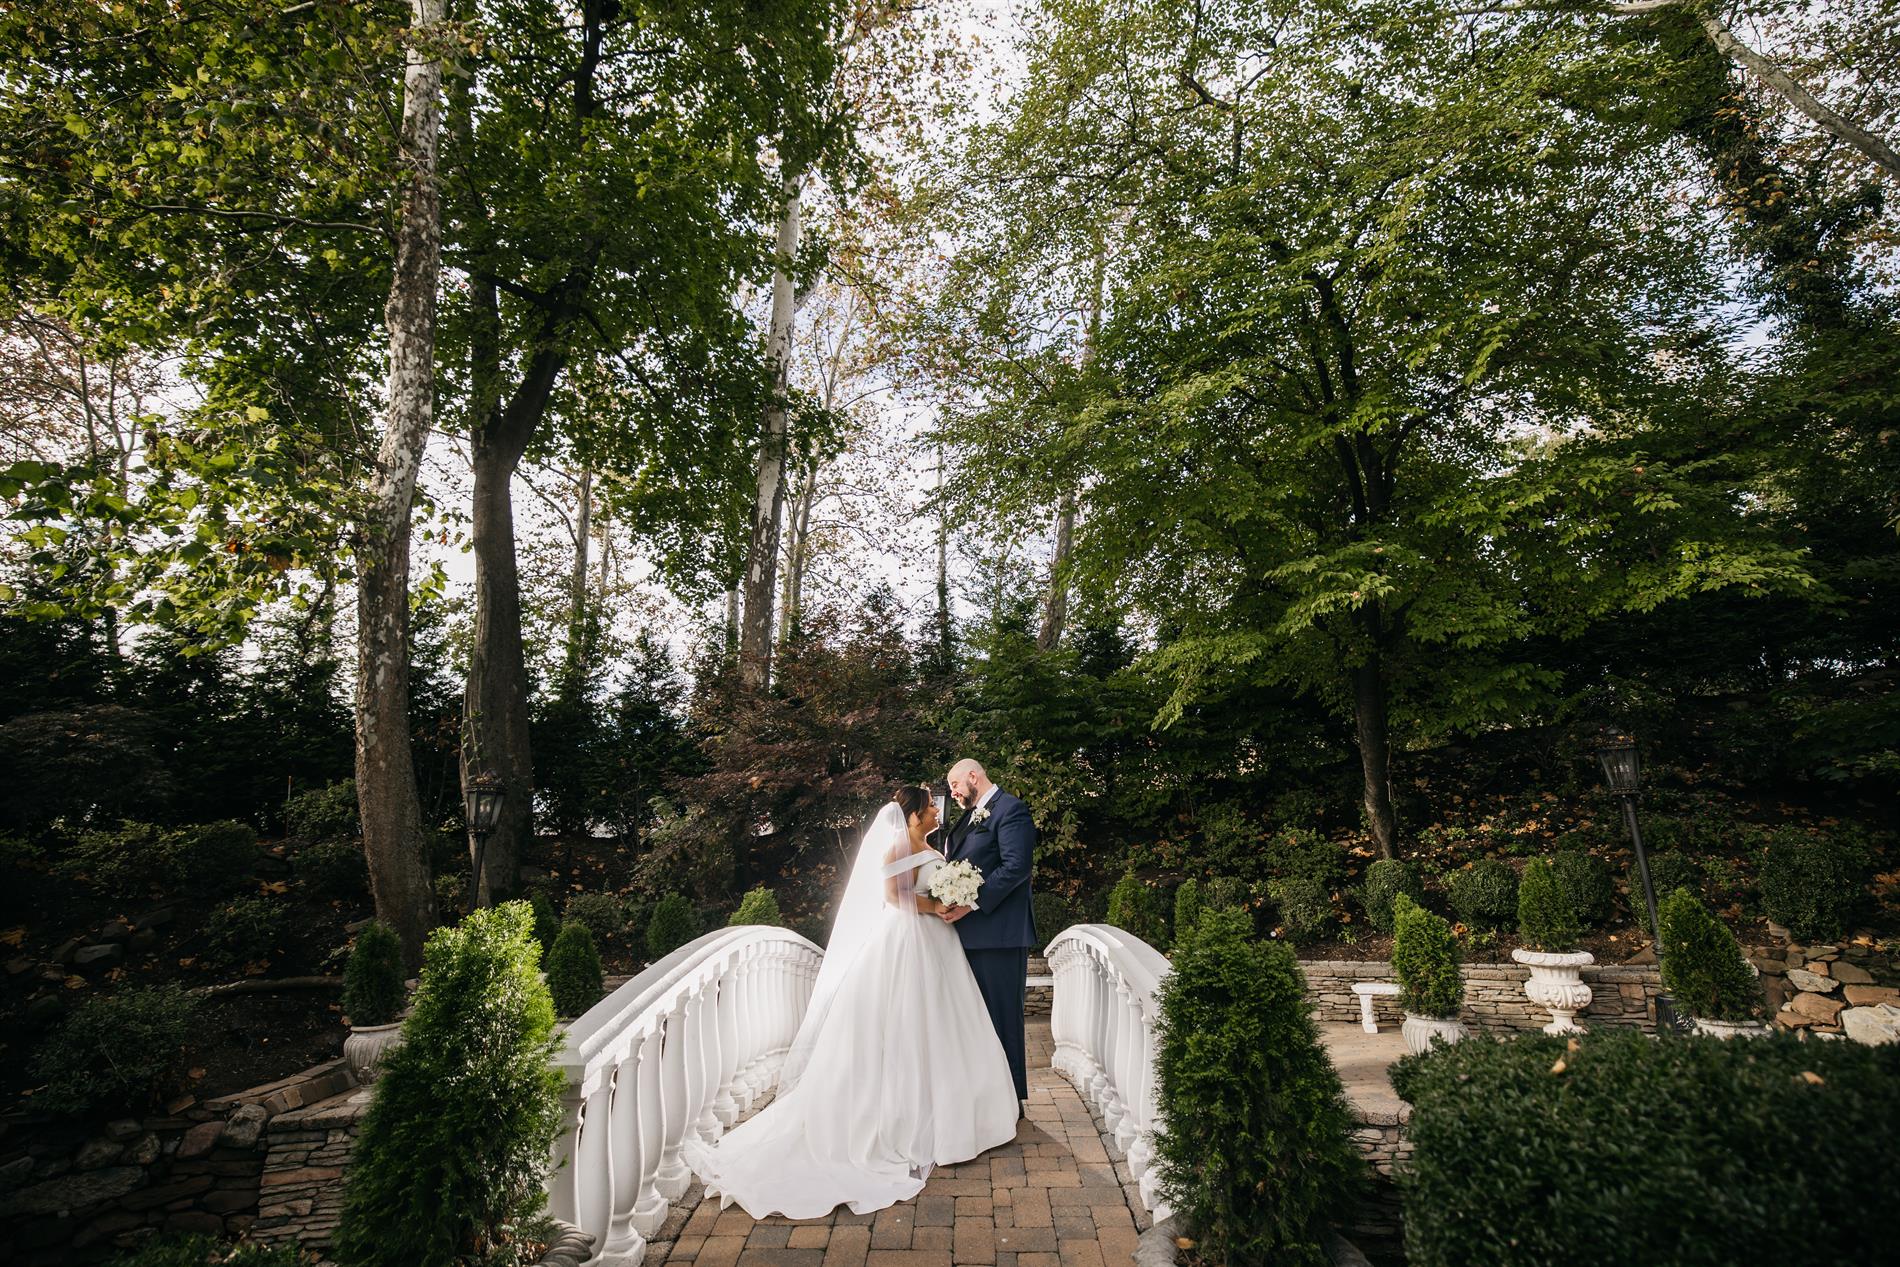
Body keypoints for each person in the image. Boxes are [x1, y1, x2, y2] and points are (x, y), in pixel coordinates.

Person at [683, 786, 1019, 1219]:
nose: (937, 812)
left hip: (939, 943)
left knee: (944, 1023)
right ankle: (902, 1120)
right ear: (913, 815)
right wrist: (933, 907)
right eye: (930, 807)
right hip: (908, 942)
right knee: (907, 1022)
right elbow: (892, 895)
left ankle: (953, 1114)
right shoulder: (899, 846)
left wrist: (949, 899)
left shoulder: (930, 846)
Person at [940, 758, 1037, 1106]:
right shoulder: (969, 816)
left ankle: (1010, 1103)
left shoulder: (1010, 809)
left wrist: (971, 904)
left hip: (999, 936)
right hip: (970, 936)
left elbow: (1017, 867)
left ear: (973, 775)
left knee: (1002, 1019)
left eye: (954, 784)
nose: (953, 792)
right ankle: (986, 1103)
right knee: (976, 1022)